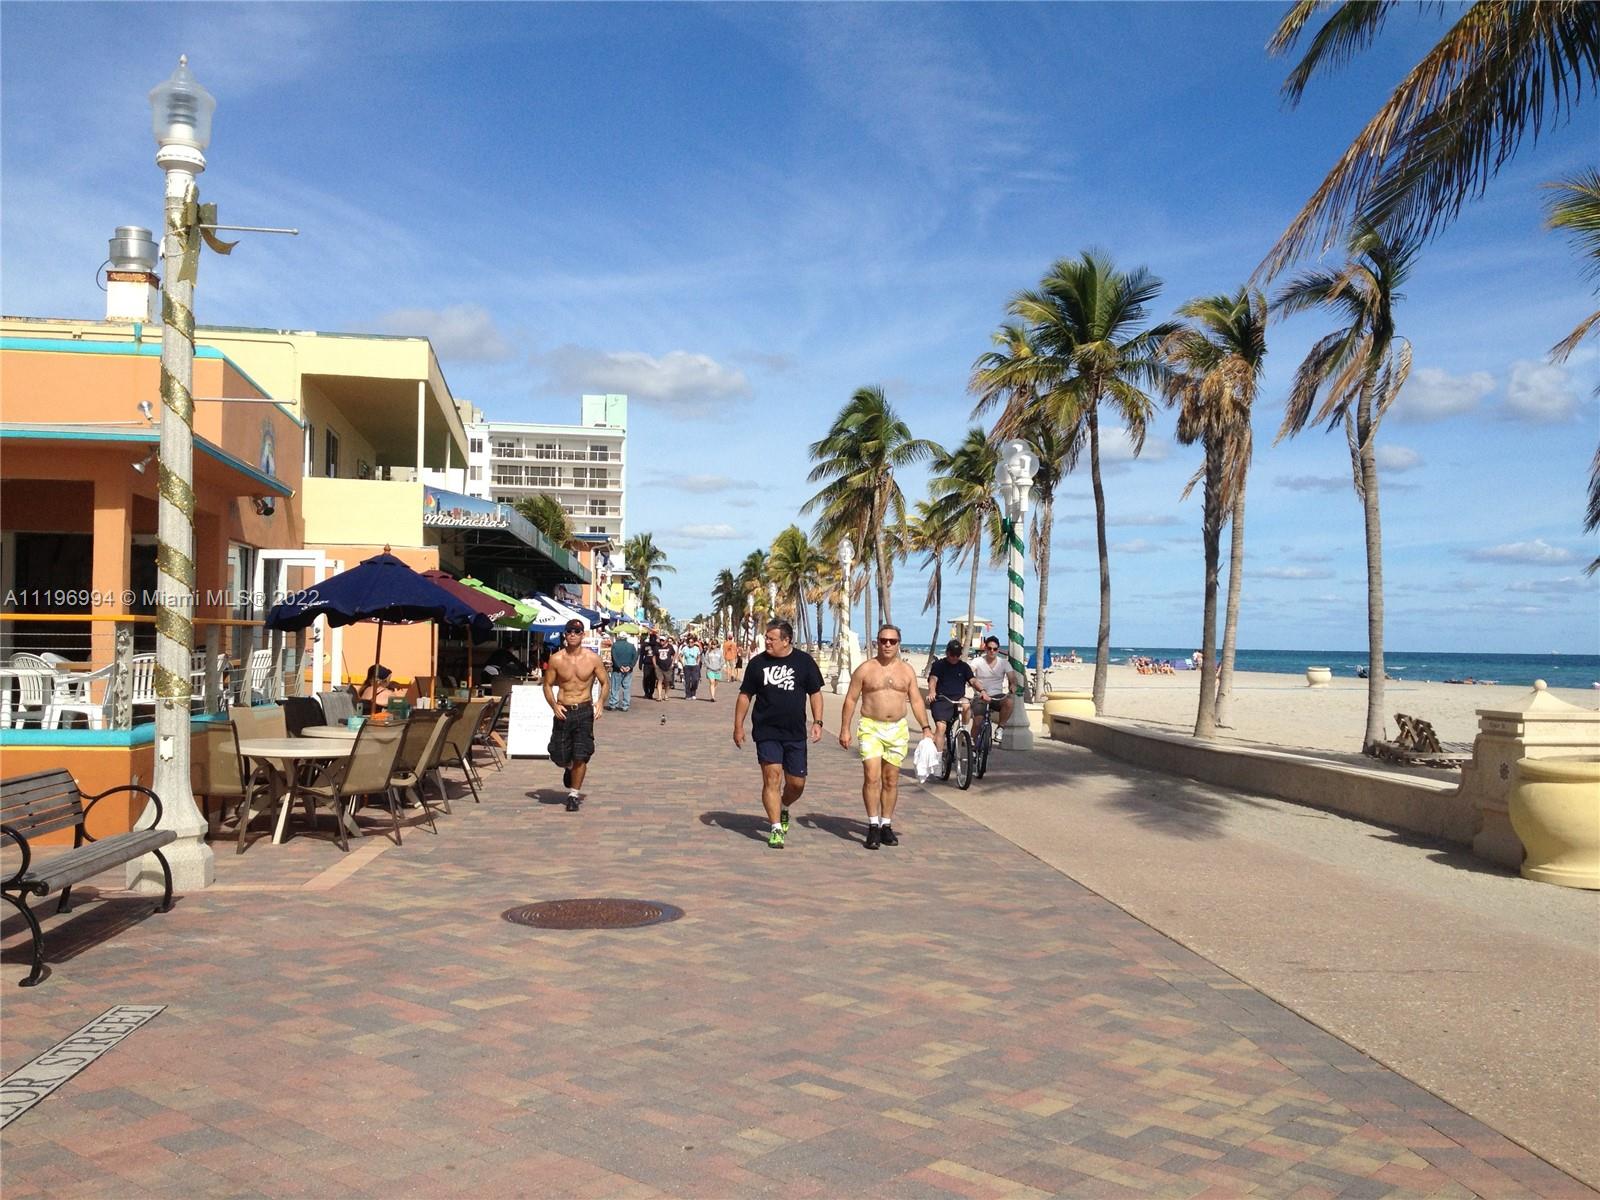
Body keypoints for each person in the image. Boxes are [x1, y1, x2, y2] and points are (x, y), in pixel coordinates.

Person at [839, 624, 938, 850]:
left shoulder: (906, 671)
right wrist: (845, 728)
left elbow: (915, 700)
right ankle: (873, 825)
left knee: (891, 779)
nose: (887, 645)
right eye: (883, 640)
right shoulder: (865, 669)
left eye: (892, 641)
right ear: (877, 642)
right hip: (871, 727)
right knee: (872, 777)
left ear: (898, 643)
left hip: (897, 729)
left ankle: (886, 824)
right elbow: (851, 699)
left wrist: (925, 727)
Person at [733, 619, 824, 850]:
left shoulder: (804, 662)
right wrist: (738, 726)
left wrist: (818, 721)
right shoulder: (757, 664)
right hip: (766, 730)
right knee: (772, 777)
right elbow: (745, 695)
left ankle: (784, 805)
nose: (767, 642)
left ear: (786, 640)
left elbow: (815, 693)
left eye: (772, 639)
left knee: (796, 783)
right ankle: (775, 828)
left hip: (795, 733)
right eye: (766, 638)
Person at [542, 619, 608, 811]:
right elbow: (547, 684)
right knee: (558, 754)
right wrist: (553, 705)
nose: (573, 634)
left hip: (584, 710)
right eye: (569, 631)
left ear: (582, 635)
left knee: (582, 754)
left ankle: (573, 795)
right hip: (564, 710)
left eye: (577, 631)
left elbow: (605, 682)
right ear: (565, 634)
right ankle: (568, 767)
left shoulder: (592, 659)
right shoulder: (556, 659)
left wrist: (601, 702)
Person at [925, 639, 976, 746]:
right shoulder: (939, 665)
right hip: (941, 700)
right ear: (947, 653)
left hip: (958, 701)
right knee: (941, 728)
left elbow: (972, 680)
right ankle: (938, 758)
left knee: (966, 703)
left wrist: (982, 691)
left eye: (957, 655)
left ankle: (963, 729)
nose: (955, 657)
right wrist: (932, 691)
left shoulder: (964, 667)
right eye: (952, 654)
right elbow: (933, 679)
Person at [971, 635, 1019, 742]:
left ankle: (1000, 728)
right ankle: (972, 743)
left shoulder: (1004, 663)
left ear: (998, 650)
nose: (992, 651)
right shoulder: (977, 661)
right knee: (978, 721)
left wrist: (1013, 685)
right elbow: (970, 673)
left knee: (1009, 702)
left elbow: (1012, 677)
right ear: (985, 649)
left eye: (995, 649)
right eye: (989, 648)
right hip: (981, 696)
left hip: (997, 696)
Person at [606, 631, 637, 711]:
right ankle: (625, 705)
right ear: (626, 637)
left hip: (617, 670)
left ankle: (613, 704)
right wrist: (629, 667)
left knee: (615, 688)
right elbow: (635, 657)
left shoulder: (615, 646)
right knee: (626, 688)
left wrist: (620, 666)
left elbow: (614, 657)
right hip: (628, 670)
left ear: (618, 637)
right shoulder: (631, 646)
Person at [652, 634, 676, 702]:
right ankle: (659, 696)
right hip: (659, 667)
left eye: (663, 640)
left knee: (667, 682)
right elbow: (653, 656)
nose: (661, 641)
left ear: (666, 641)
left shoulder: (670, 647)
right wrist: (655, 665)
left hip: (668, 667)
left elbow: (674, 655)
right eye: (660, 640)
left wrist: (672, 663)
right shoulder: (657, 647)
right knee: (659, 680)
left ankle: (666, 695)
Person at [681, 636, 702, 700]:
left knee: (695, 680)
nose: (690, 643)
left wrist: (697, 663)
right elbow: (680, 655)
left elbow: (699, 656)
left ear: (694, 642)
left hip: (694, 666)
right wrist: (683, 663)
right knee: (687, 681)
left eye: (692, 642)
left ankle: (693, 693)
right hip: (687, 666)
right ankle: (688, 695)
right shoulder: (685, 648)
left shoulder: (696, 648)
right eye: (689, 642)